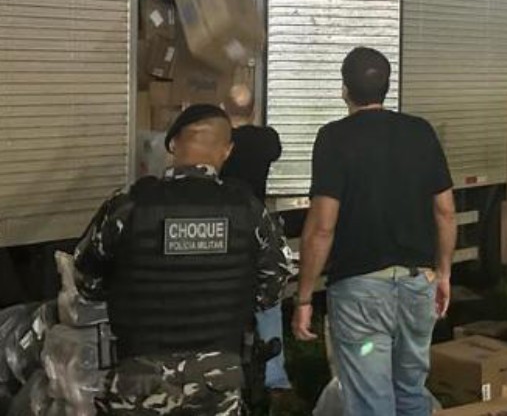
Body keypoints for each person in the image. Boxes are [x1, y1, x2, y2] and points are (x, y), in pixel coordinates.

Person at [75, 104, 295, 416]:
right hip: (218, 377)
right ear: (227, 150)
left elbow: (86, 278)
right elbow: (274, 281)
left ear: (173, 145)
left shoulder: (128, 206)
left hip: (141, 374)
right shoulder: (248, 210)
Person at [293, 47, 456, 416]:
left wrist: (303, 298)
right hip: (418, 287)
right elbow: (445, 212)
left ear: (343, 90)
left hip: (361, 295)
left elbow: (322, 227)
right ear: (387, 86)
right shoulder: (420, 131)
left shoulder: (334, 138)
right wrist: (443, 274)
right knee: (412, 391)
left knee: (371, 401)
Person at [221, 84, 298, 408]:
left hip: (226, 229)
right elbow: (275, 149)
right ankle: (275, 378)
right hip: (258, 230)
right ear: (253, 109)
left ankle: (226, 371)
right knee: (269, 301)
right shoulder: (266, 140)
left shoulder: (222, 144)